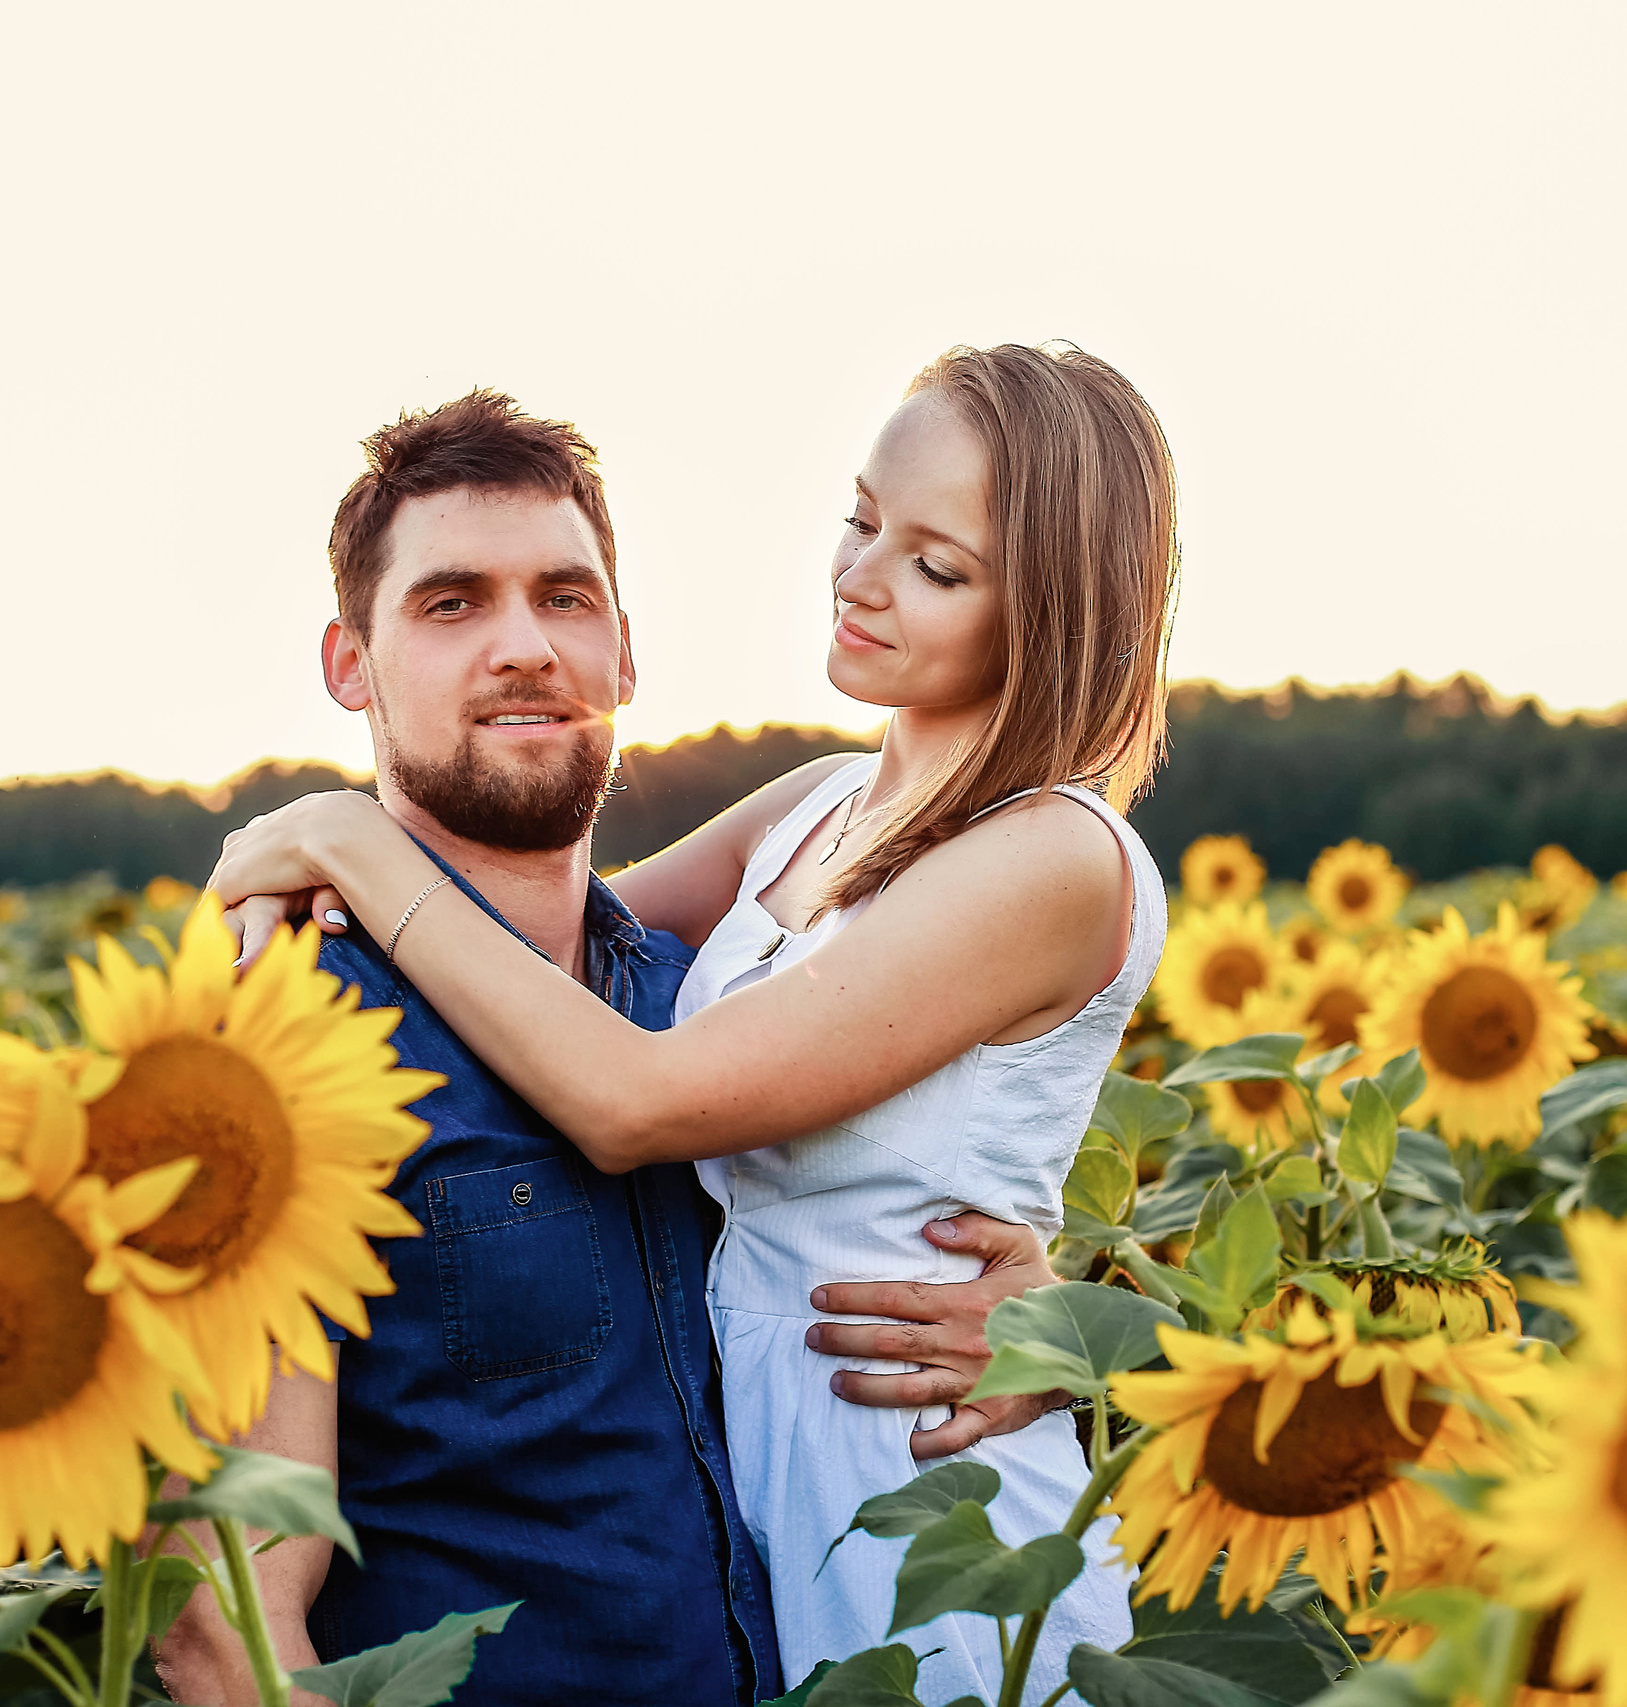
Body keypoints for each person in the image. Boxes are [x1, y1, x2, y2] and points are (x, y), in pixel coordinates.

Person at [213, 342, 1179, 1698]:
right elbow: (547, 924)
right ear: (350, 662)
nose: (860, 580)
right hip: (782, 1550)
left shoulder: (1051, 857)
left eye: (938, 566)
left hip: (928, 1522)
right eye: (859, 522)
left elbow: (643, 1101)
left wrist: (338, 834)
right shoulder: (812, 814)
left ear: (1056, 610)